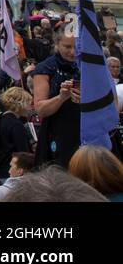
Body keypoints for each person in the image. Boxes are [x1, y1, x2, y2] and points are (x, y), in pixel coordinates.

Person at [31, 26, 81, 168]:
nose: (73, 52)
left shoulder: (87, 66)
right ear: (57, 44)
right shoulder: (45, 68)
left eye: (76, 47)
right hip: (58, 132)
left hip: (85, 130)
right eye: (67, 46)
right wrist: (61, 97)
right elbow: (40, 109)